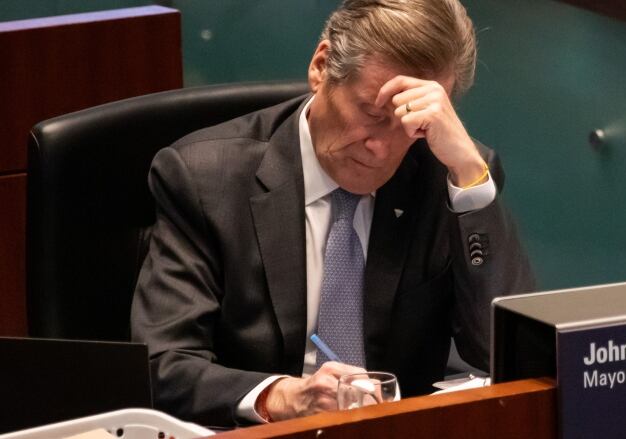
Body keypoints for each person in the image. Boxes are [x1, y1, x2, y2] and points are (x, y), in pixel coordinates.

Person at [131, 0, 534, 427]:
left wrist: (470, 178)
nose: (381, 147)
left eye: (411, 124)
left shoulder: (447, 175)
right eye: (373, 114)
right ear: (321, 66)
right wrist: (284, 396)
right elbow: (164, 365)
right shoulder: (205, 179)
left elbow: (512, 358)